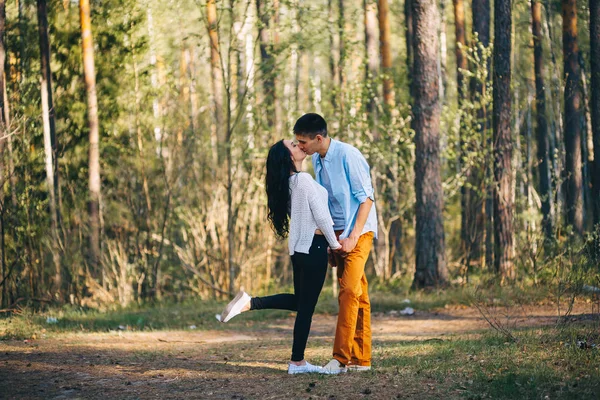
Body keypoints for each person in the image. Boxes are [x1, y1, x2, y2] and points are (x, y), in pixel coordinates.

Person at [218, 139, 342, 375]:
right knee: (306, 308)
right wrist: (335, 245)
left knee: (300, 302)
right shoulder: (303, 180)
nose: (299, 146)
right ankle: (297, 363)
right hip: (313, 247)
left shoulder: (288, 184)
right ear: (288, 158)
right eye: (294, 145)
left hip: (299, 250)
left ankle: (251, 303)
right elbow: (323, 218)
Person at [294, 113, 377, 374]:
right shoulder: (318, 160)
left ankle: (340, 359)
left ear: (318, 138)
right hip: (338, 233)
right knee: (358, 294)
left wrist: (353, 236)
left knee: (348, 291)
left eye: (302, 142)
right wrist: (332, 240)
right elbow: (327, 203)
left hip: (358, 231)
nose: (300, 147)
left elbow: (367, 200)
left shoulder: (348, 155)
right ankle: (361, 360)